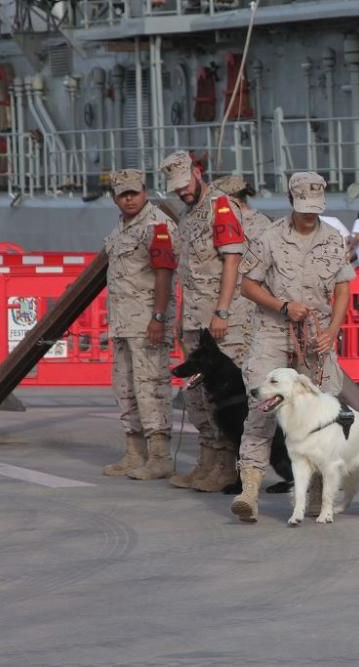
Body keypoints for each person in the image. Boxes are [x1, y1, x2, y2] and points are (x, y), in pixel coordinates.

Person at [232, 172, 355, 523]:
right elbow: (248, 285)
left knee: (322, 413)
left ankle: (317, 491)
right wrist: (283, 306)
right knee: (261, 409)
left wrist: (332, 330)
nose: (309, 216)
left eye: (315, 210)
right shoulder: (269, 237)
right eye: (303, 210)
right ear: (290, 201)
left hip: (315, 339)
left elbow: (343, 287)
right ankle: (250, 490)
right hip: (274, 331)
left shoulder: (333, 239)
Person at [160, 150, 250, 491]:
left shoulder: (221, 207)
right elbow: (189, 273)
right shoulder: (188, 215)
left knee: (226, 396)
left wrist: (223, 310)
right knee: (198, 397)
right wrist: (183, 319)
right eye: (175, 187)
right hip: (196, 320)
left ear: (198, 172)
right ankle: (208, 462)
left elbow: (232, 261)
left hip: (221, 321)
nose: (181, 191)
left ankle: (228, 467)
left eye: (184, 183)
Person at [102, 169, 178, 480]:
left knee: (151, 387)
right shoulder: (122, 227)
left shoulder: (156, 224)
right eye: (124, 194)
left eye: (135, 192)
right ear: (115, 198)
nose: (130, 198)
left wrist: (158, 317)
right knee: (125, 387)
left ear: (145, 192)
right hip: (122, 322)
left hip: (147, 321)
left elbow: (163, 272)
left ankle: (159, 456)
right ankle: (135, 453)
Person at [212, 174, 273, 242]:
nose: (214, 204)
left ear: (232, 198)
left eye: (217, 199)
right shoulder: (230, 220)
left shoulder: (258, 223)